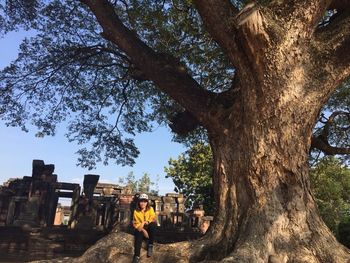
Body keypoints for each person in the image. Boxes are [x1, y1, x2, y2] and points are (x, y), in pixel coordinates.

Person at [132, 193, 156, 263]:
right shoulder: (136, 211)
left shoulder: (150, 209)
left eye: (145, 201)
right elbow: (136, 224)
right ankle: (136, 256)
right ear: (139, 202)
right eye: (141, 201)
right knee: (138, 236)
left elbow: (153, 218)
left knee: (153, 225)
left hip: (149, 227)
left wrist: (147, 222)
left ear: (147, 202)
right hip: (140, 228)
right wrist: (143, 229)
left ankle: (150, 245)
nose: (143, 203)